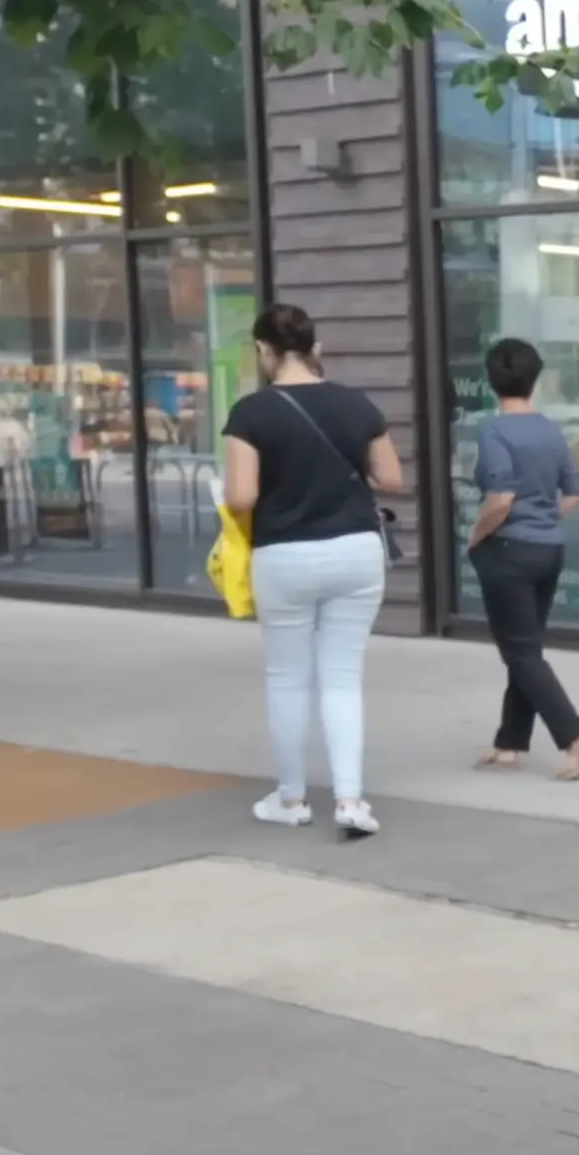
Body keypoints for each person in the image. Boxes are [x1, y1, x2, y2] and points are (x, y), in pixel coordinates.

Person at [219, 302, 405, 839]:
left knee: (287, 679)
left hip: (286, 556)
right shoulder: (355, 404)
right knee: (343, 678)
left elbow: (241, 496)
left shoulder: (251, 413)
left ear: (264, 351)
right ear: (313, 348)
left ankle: (292, 797)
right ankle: (350, 799)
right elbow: (391, 479)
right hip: (356, 551)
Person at [465, 337, 579, 780]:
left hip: (508, 550)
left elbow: (500, 497)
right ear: (535, 379)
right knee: (525, 648)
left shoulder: (494, 430)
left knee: (520, 653)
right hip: (549, 549)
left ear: (491, 381)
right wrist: (543, 516)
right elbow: (574, 491)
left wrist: (477, 536)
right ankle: (510, 742)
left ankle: (577, 738)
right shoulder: (550, 430)